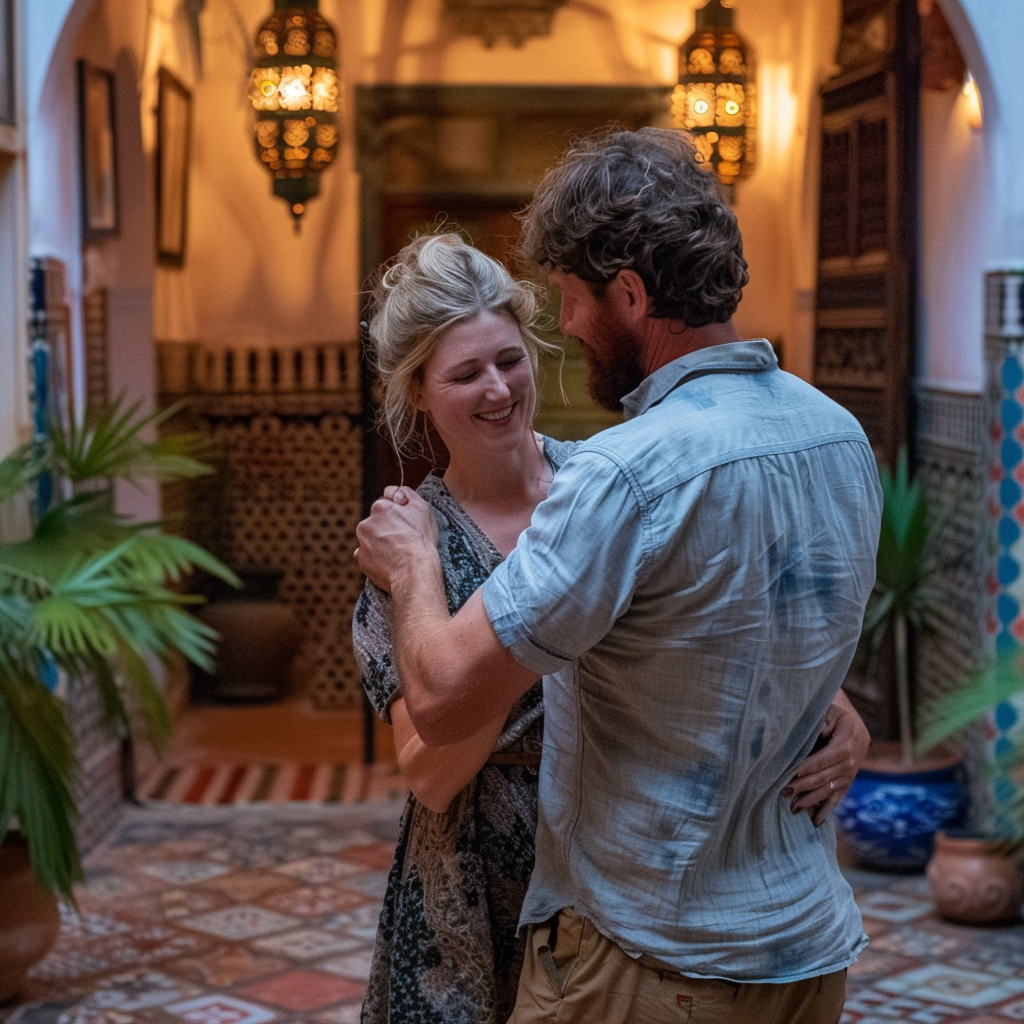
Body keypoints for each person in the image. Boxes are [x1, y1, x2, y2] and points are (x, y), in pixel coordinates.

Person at [356, 130, 883, 1024]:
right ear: (420, 394)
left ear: (629, 295)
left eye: (561, 307)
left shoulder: (617, 479)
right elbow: (723, 640)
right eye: (464, 373)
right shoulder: (837, 431)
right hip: (794, 936)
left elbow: (444, 697)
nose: (560, 328)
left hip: (648, 948)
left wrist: (840, 716)